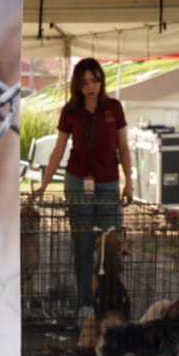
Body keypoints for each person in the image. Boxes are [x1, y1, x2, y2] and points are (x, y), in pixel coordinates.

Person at [31, 57, 134, 315]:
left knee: (110, 243)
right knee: (83, 243)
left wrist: (129, 181)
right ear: (77, 85)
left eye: (94, 80)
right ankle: (86, 303)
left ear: (101, 80)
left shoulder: (114, 107)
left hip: (109, 182)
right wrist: (43, 185)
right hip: (77, 181)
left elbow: (123, 146)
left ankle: (111, 300)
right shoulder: (70, 111)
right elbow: (58, 149)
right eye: (85, 82)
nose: (90, 86)